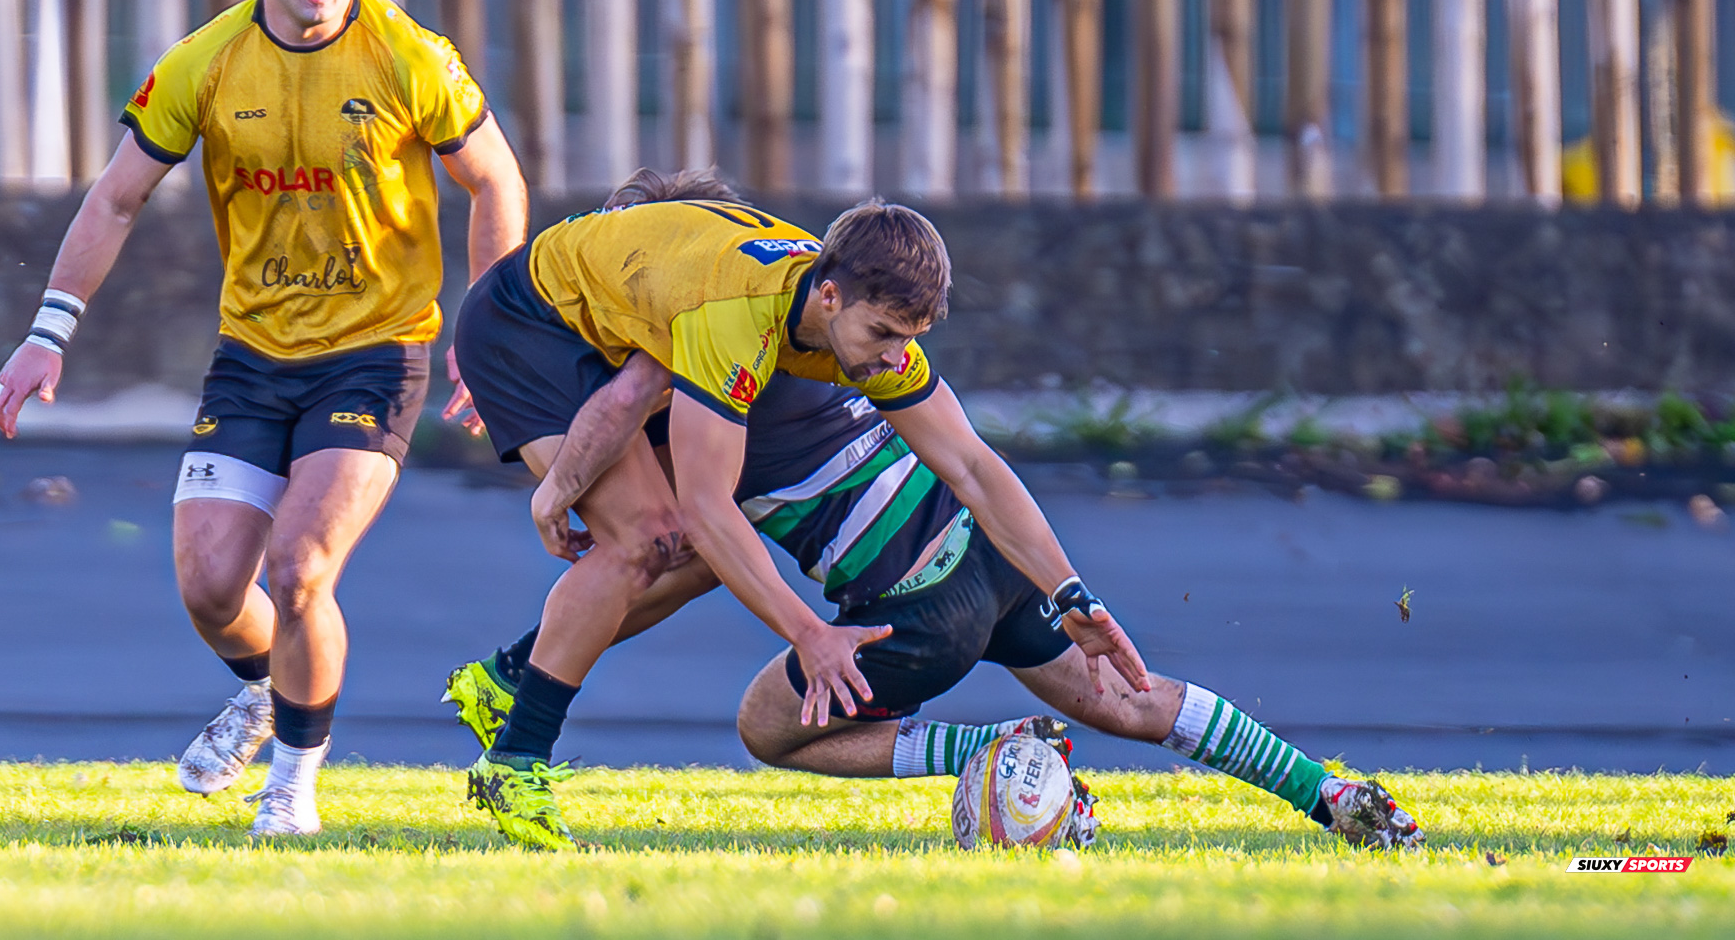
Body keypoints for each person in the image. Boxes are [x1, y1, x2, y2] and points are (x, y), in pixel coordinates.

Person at [0, 0, 527, 835]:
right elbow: (115, 198)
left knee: (301, 568)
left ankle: (290, 789)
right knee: (208, 585)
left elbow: (496, 179)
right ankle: (270, 685)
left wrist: (490, 333)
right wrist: (45, 332)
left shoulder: (412, 58)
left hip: (378, 348)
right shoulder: (207, 61)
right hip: (252, 354)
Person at [445, 364, 1426, 852]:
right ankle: (1327, 793)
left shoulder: (686, 362)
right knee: (1130, 698)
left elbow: (653, 533)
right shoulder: (807, 334)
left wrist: (534, 424)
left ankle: (985, 755)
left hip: (918, 606)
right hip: (991, 553)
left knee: (764, 726)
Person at [450, 169, 1151, 849]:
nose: (894, 356)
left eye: (908, 338)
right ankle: (513, 762)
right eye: (881, 333)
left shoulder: (841, 308)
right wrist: (810, 631)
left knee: (700, 554)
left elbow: (973, 465)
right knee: (650, 537)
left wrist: (1069, 594)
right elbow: (665, 449)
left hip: (605, 331)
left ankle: (507, 677)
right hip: (523, 328)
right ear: (829, 297)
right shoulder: (732, 316)